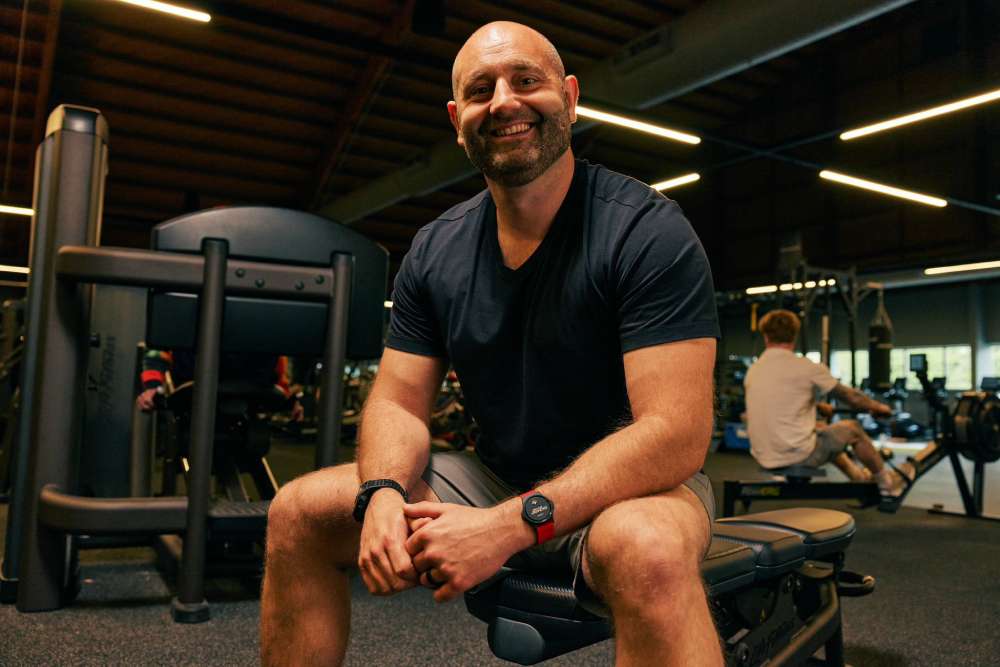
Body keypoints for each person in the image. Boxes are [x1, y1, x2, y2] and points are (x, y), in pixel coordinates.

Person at [261, 21, 721, 666]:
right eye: (481, 90)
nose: (504, 101)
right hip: (497, 476)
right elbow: (396, 403)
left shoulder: (645, 230)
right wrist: (383, 493)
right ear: (458, 118)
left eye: (526, 81)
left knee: (647, 548)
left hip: (635, 487)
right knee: (300, 511)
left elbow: (674, 432)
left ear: (570, 95)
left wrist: (508, 527)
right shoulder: (436, 247)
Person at [744, 309, 914, 496]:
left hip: (762, 455)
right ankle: (887, 484)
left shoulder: (754, 370)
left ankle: (859, 478)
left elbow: (779, 401)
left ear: (765, 336)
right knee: (852, 429)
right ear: (794, 335)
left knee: (825, 431)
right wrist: (878, 407)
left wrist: (815, 406)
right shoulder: (806, 366)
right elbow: (853, 398)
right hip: (797, 456)